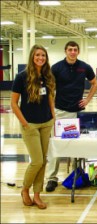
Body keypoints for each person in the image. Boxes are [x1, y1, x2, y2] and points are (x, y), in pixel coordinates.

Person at [45, 41, 97, 192]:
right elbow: (48, 88)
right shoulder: (56, 68)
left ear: (78, 52)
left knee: (77, 146)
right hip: (59, 111)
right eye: (70, 49)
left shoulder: (84, 67)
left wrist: (87, 99)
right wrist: (51, 110)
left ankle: (78, 174)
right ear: (65, 51)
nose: (73, 52)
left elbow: (95, 84)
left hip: (77, 112)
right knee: (55, 145)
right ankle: (51, 178)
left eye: (75, 49)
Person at [11, 44, 56, 209]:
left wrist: (53, 118)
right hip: (30, 125)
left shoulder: (48, 76)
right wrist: (25, 124)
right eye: (37, 55)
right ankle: (25, 189)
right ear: (32, 57)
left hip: (46, 123)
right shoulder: (21, 77)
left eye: (43, 55)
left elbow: (50, 99)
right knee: (36, 161)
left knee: (43, 161)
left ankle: (37, 195)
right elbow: (14, 104)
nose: (40, 58)